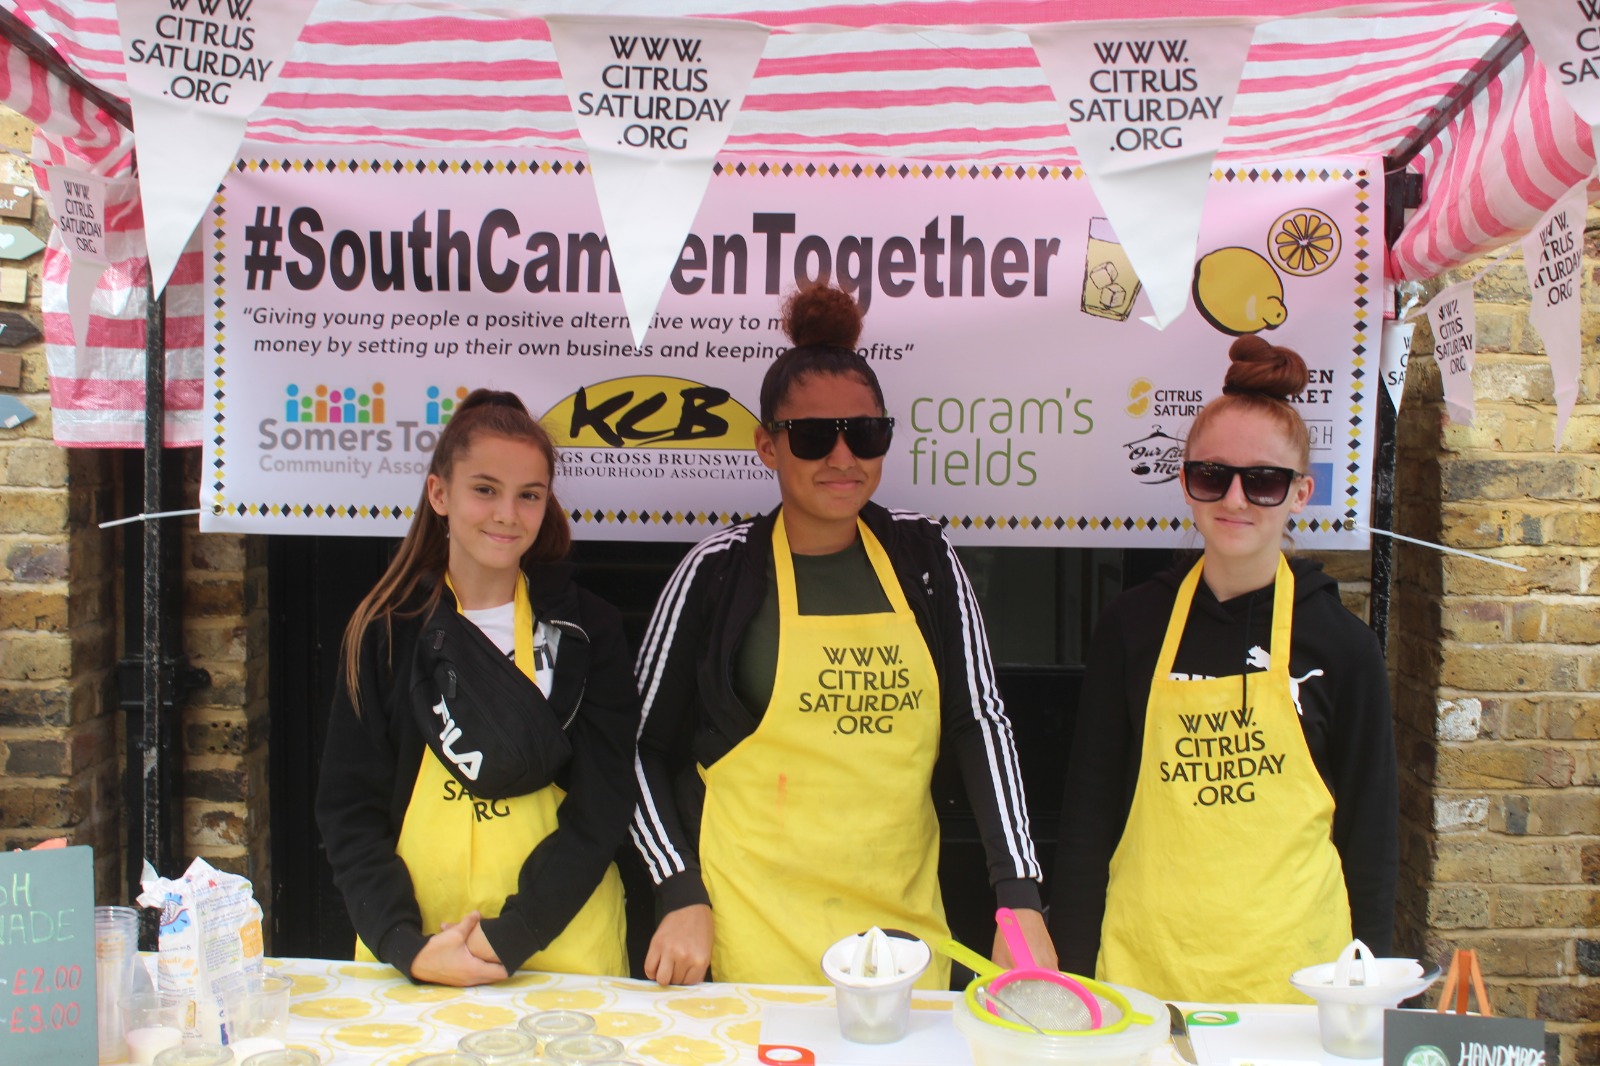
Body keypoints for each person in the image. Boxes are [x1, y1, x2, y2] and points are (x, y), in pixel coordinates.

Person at [630, 282, 1051, 990]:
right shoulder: (718, 573)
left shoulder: (924, 558)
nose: (843, 456)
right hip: (749, 939)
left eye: (866, 433)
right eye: (813, 436)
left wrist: (1020, 898)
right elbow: (635, 750)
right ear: (767, 445)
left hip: (901, 948)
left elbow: (981, 722)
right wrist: (679, 891)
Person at [1049, 335, 1398, 1003]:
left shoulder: (1342, 645)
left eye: (1263, 481)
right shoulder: (1133, 626)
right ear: (1186, 482)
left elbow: (1372, 838)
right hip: (1146, 976)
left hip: (1297, 985)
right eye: (1213, 475)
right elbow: (1090, 816)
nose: (1235, 499)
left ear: (1301, 494)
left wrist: (1369, 993)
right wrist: (1073, 973)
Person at [316, 389, 638, 986]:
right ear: (440, 493)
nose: (506, 515)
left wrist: (510, 935)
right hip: (419, 946)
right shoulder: (385, 630)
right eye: (484, 489)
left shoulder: (589, 629)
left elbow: (604, 803)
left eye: (529, 496)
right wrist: (405, 945)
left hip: (561, 945)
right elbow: (348, 811)